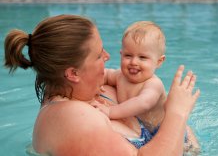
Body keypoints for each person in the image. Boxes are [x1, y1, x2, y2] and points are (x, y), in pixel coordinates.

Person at [4, 14, 200, 156]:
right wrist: (178, 113)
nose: (107, 56)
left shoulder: (86, 90)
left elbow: (157, 119)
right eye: (98, 55)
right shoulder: (74, 120)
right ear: (73, 73)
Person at [93, 21, 199, 151]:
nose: (133, 62)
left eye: (142, 57)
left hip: (162, 129)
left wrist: (110, 112)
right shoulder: (120, 76)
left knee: (189, 150)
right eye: (128, 55)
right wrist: (94, 83)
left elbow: (142, 103)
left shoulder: (153, 84)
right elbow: (105, 75)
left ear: (159, 61)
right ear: (121, 54)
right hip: (142, 128)